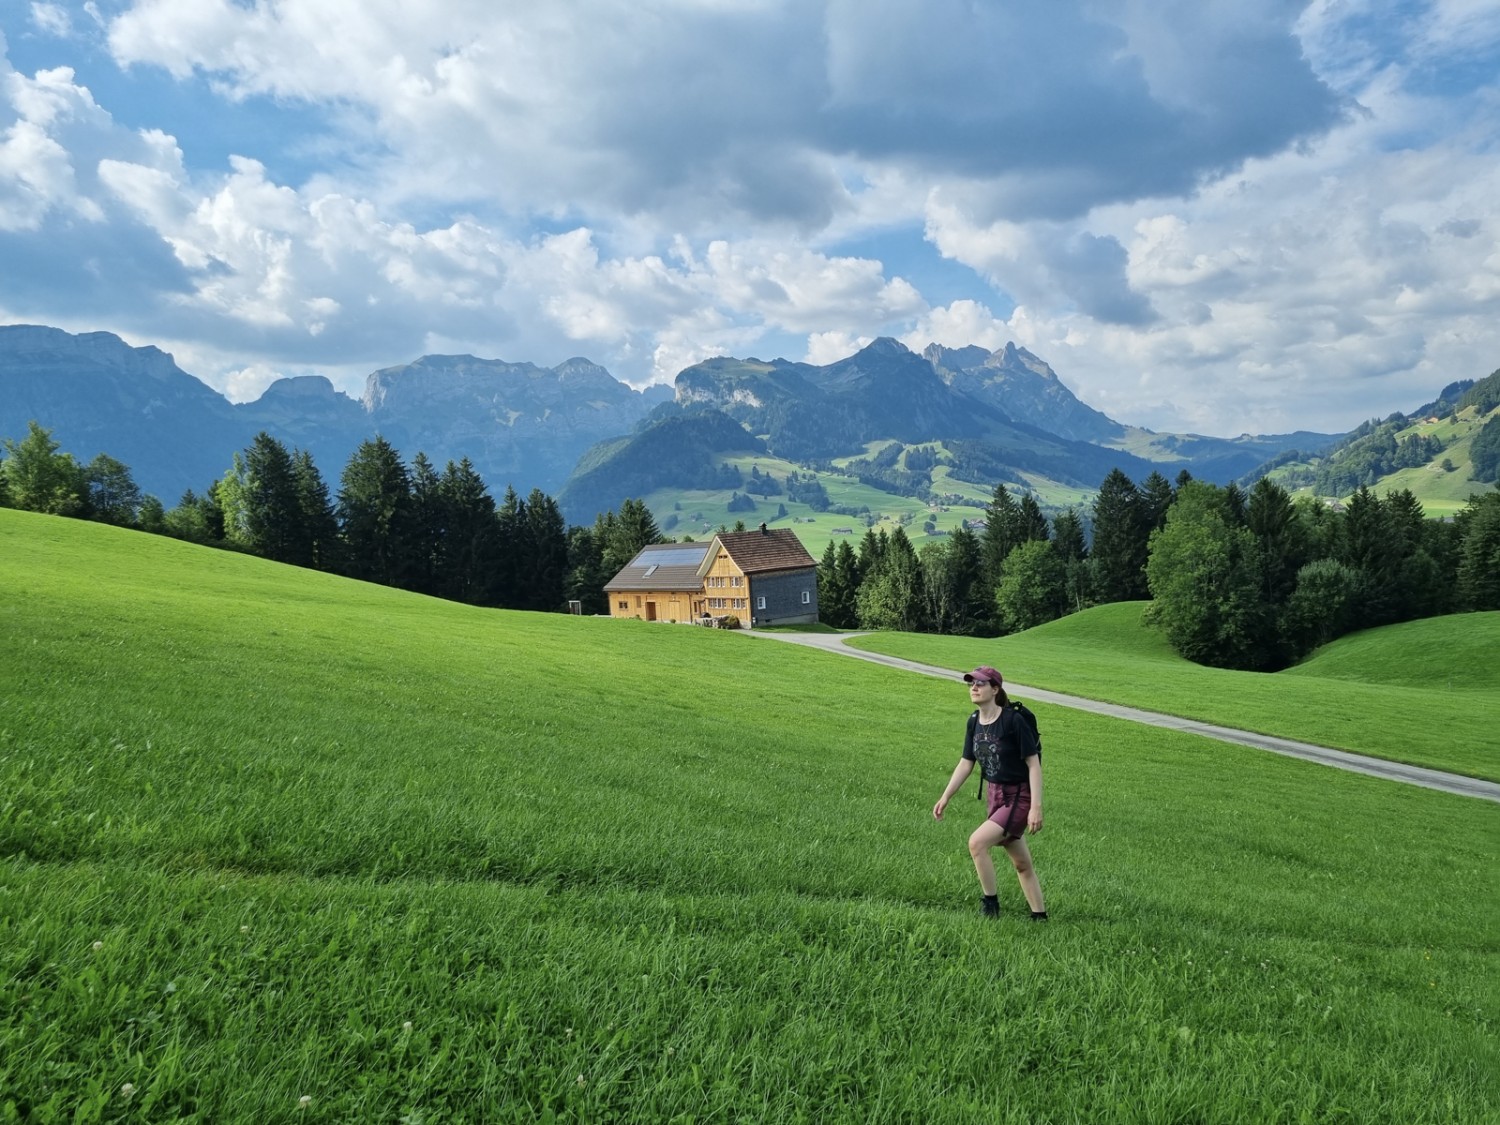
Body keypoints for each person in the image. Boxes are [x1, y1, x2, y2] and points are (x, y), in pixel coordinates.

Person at [932, 666, 1047, 920]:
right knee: (1022, 864)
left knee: (977, 843)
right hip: (996, 795)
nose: (973, 687)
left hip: (1019, 797)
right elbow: (966, 763)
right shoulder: (974, 721)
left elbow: (1033, 763)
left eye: (980, 683)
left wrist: (1036, 807)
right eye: (971, 683)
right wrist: (946, 796)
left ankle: (990, 906)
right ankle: (1040, 917)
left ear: (995, 689)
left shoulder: (1012, 721)